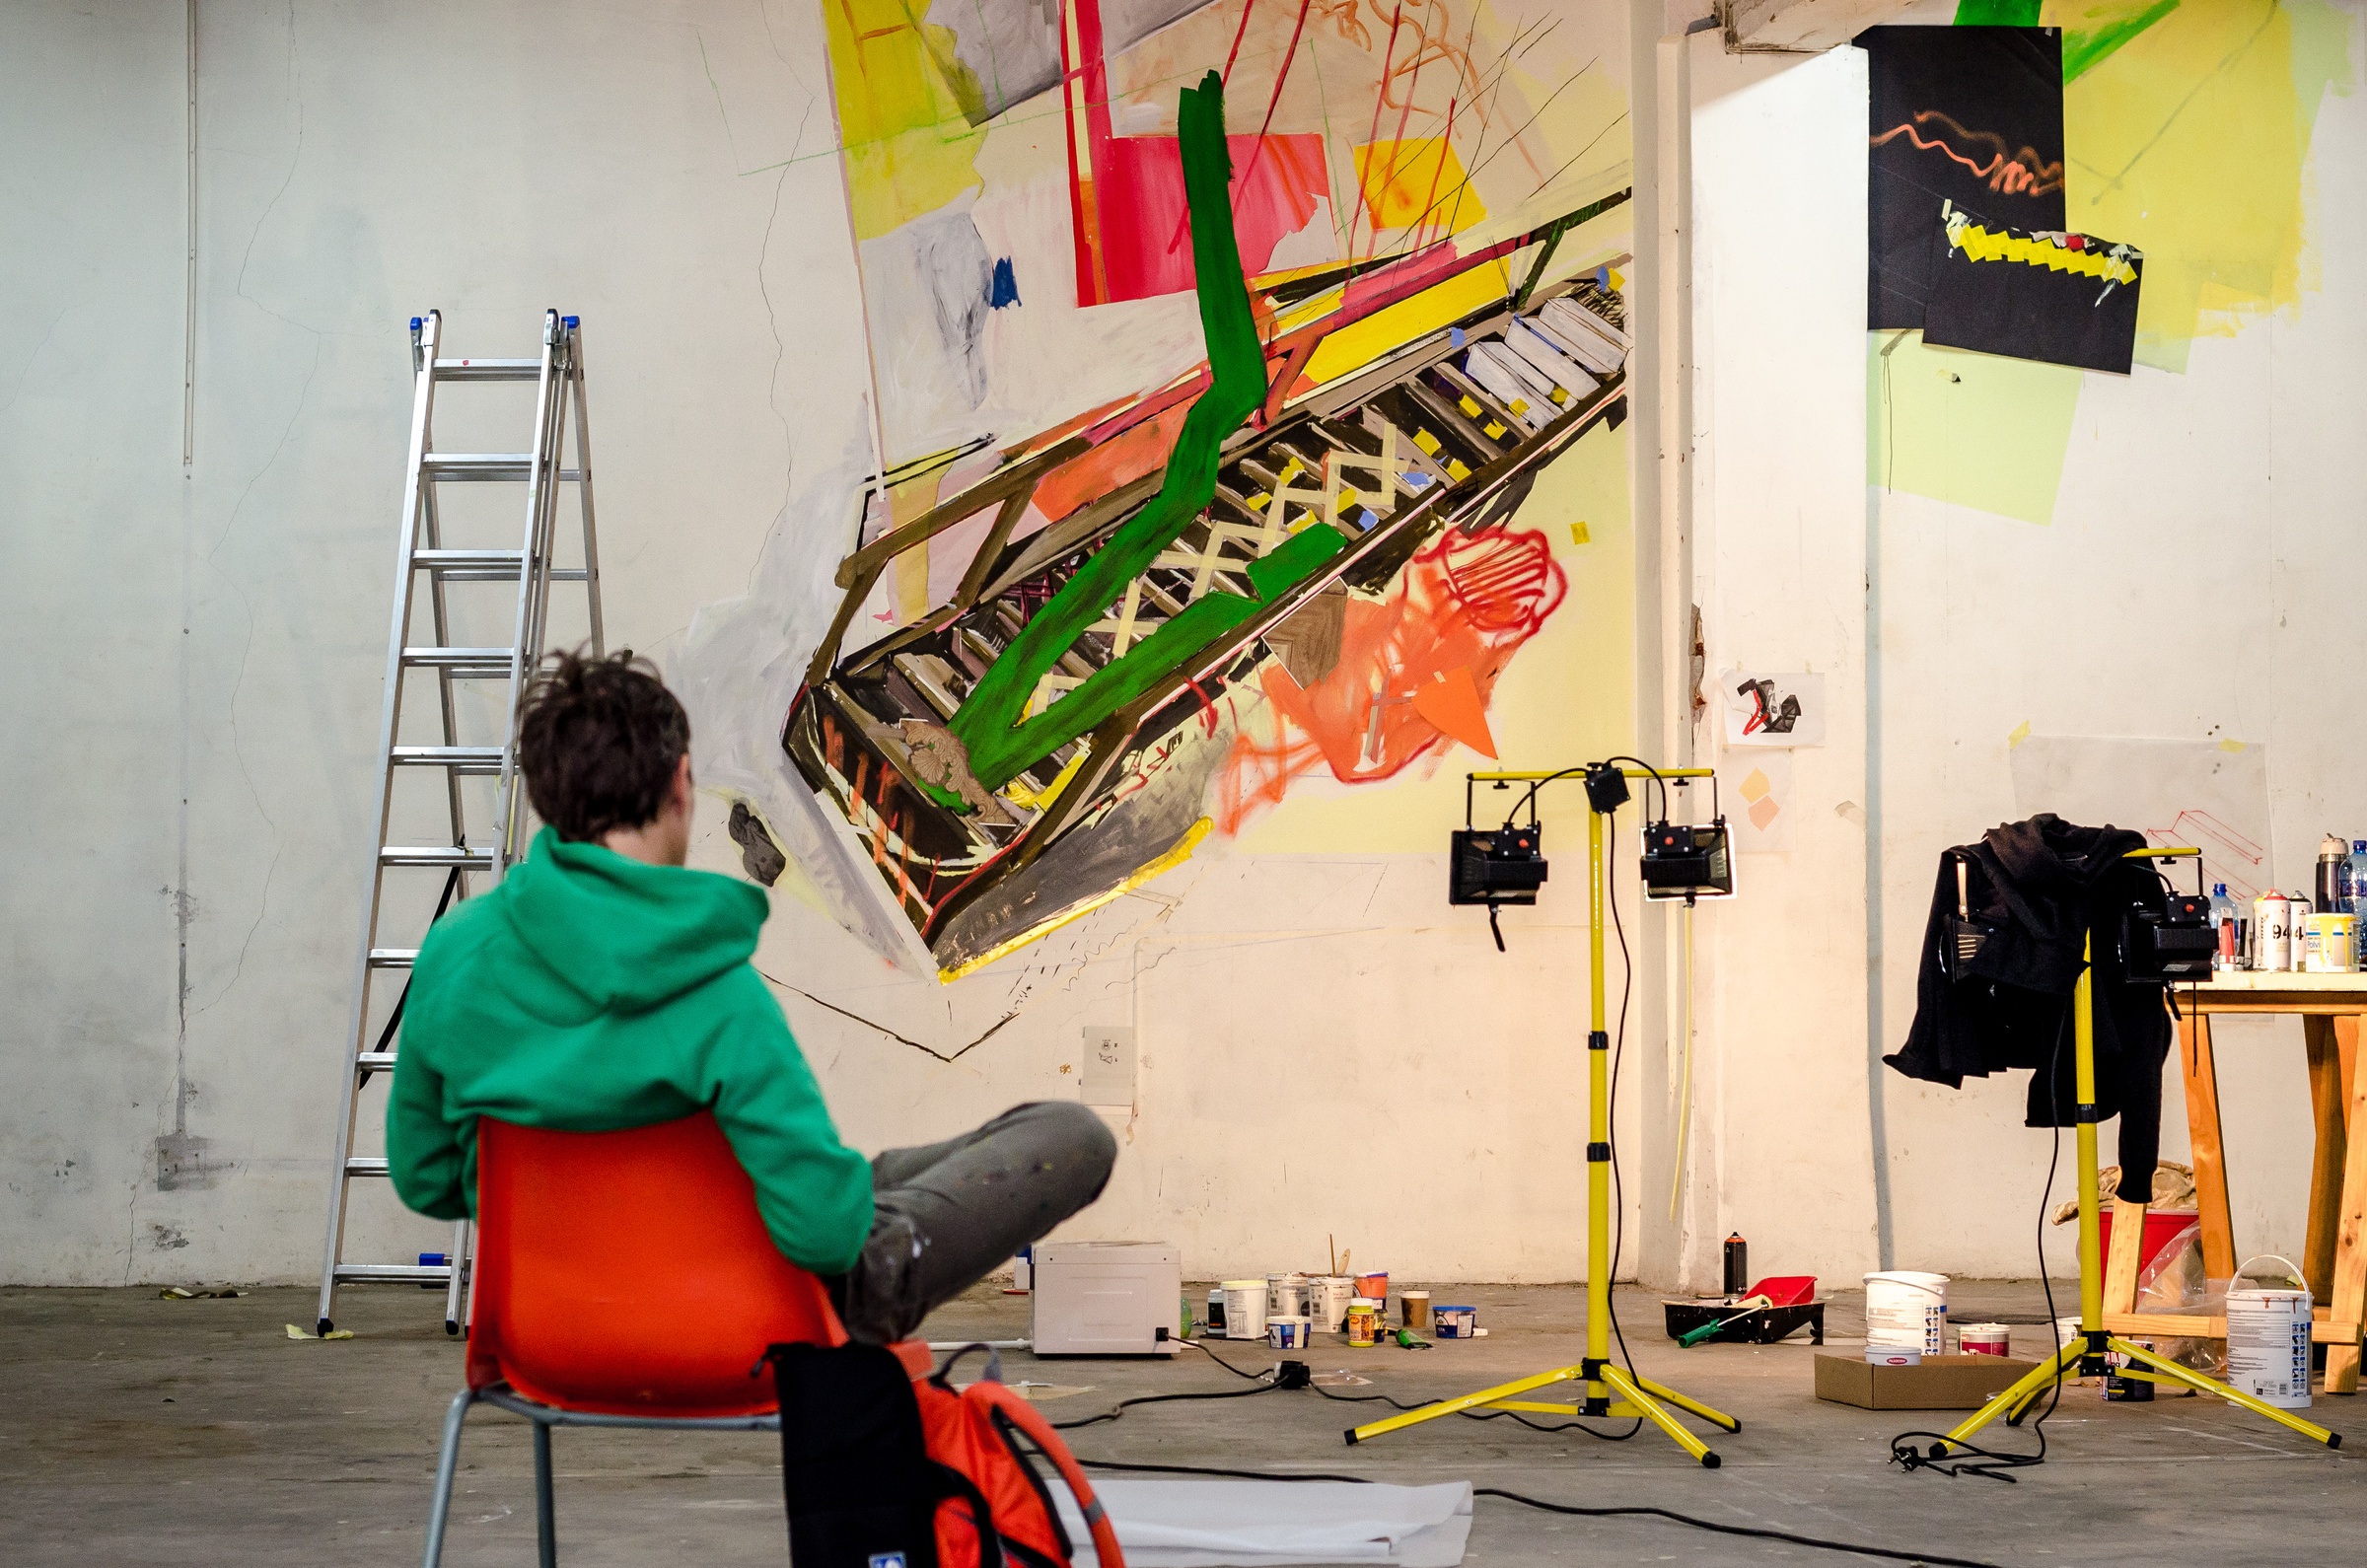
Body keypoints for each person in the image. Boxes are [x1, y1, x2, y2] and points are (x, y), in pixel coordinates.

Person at [386, 648, 1116, 1343]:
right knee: (1068, 1136)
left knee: (866, 1177)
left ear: (548, 794)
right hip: (736, 1320)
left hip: (552, 1326)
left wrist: (576, 1210)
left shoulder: (457, 952)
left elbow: (425, 1178)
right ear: (680, 784)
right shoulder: (712, 990)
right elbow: (825, 1237)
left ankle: (831, 1187)